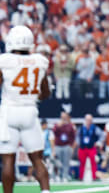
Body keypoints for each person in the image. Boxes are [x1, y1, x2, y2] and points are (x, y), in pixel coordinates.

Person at [0, 25, 51, 193]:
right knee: (37, 159)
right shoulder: (39, 61)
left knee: (8, 160)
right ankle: (45, 191)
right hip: (30, 111)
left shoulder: (5, 61)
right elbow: (45, 93)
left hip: (9, 111)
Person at [78, 114, 103, 181]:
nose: (88, 121)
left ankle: (94, 177)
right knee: (82, 163)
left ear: (91, 120)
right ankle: (81, 177)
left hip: (91, 148)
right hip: (83, 148)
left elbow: (102, 135)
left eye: (90, 120)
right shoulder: (81, 128)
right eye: (87, 120)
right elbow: (77, 136)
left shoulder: (95, 128)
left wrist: (98, 143)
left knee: (93, 163)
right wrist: (78, 143)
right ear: (85, 120)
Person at [53, 111, 76, 181]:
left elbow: (73, 136)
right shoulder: (57, 124)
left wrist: (71, 147)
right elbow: (53, 133)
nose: (63, 118)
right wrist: (58, 126)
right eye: (62, 116)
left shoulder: (70, 125)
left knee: (66, 162)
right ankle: (57, 176)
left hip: (67, 146)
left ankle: (65, 176)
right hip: (58, 146)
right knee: (57, 163)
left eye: (64, 116)